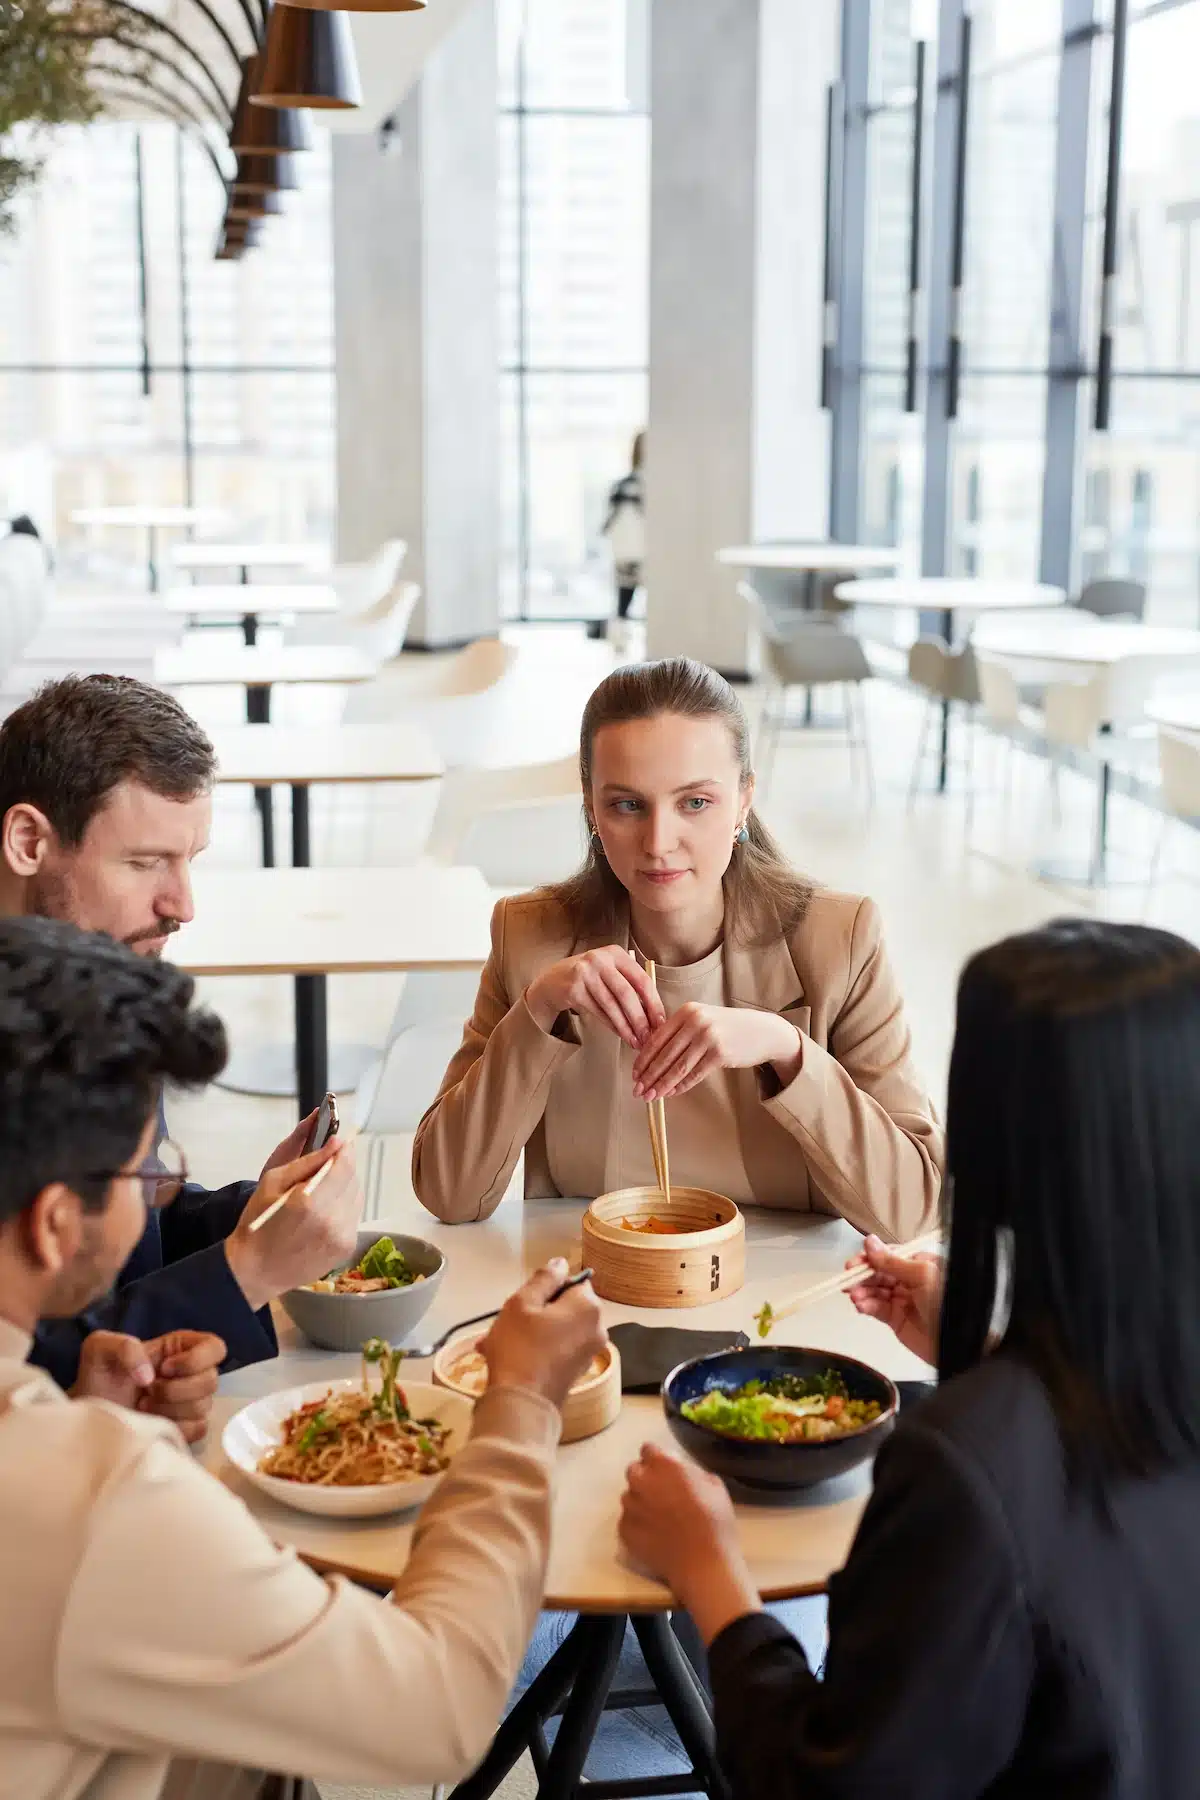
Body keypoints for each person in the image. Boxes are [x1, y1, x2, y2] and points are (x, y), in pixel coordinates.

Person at [0, 914, 608, 1800]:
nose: (163, 1186)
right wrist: (518, 1402)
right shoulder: (94, 1501)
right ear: (56, 1223)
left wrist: (84, 1422)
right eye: (149, 1169)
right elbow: (437, 1714)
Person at [619, 918, 1200, 1799]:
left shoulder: (963, 1465)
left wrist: (709, 1569)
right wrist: (984, 1356)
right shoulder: (1142, 1387)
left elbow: (822, 1782)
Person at [414, 658, 941, 1240]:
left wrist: (787, 1050)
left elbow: (912, 1207)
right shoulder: (529, 939)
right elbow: (449, 1194)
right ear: (591, 807)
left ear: (744, 800)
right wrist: (537, 1011)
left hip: (781, 1305)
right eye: (627, 805)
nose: (659, 843)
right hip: (601, 1295)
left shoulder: (841, 940)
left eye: (695, 803)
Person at [0, 674, 362, 1399]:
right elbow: (24, 1361)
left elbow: (113, 1226)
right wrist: (243, 1272)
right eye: (144, 863)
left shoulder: (99, 968)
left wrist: (253, 1214)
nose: (182, 906)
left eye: (190, 859)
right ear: (30, 840)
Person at [597, 431, 645, 638]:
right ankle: (618, 639)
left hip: (628, 551)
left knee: (624, 599)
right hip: (632, 551)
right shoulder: (629, 486)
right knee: (624, 600)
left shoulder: (624, 486)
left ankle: (618, 638)